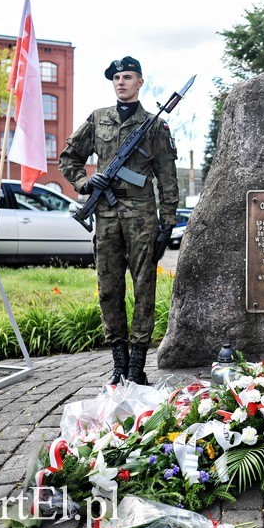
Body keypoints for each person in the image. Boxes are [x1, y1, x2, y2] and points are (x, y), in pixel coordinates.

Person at [59, 56, 179, 386]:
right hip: (107, 216)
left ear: (140, 82)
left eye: (127, 77)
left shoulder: (154, 125)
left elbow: (167, 178)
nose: (121, 82)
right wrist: (85, 183)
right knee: (109, 289)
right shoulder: (97, 120)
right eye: (116, 78)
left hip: (142, 218)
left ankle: (137, 365)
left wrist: (167, 224)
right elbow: (69, 158)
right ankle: (118, 362)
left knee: (144, 289)